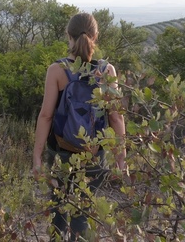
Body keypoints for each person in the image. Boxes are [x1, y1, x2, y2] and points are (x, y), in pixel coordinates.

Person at [32, 13, 126, 241]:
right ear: (96, 36)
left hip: (60, 153)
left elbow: (46, 116)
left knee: (58, 209)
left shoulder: (57, 70)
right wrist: (122, 159)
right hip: (94, 155)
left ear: (69, 36)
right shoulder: (107, 70)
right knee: (82, 214)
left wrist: (36, 156)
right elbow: (116, 118)